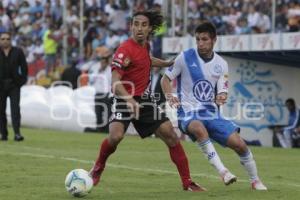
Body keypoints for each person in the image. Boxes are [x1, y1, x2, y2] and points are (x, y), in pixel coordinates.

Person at [89, 10, 205, 192]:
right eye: (135, 24)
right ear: (131, 27)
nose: (139, 28)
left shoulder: (145, 46)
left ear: (150, 28)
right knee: (116, 136)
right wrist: (129, 100)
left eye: (143, 25)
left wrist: (166, 64)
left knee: (170, 135)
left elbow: (146, 60)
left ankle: (187, 182)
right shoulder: (124, 50)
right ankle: (97, 169)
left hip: (145, 99)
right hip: (123, 97)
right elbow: (115, 81)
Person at [161, 21, 267, 190]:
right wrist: (169, 95)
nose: (200, 43)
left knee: (240, 144)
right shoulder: (184, 57)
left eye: (204, 39)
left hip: (211, 113)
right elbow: (165, 79)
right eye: (197, 40)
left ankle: (255, 181)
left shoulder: (221, 64)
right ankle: (223, 171)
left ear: (214, 40)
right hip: (188, 113)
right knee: (198, 128)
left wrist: (222, 96)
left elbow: (223, 90)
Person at [0, 31, 28, 141]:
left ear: (11, 40)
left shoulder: (18, 52)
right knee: (1, 110)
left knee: (15, 109)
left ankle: (17, 133)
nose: (5, 41)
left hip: (14, 85)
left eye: (7, 39)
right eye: (2, 39)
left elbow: (24, 67)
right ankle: (4, 134)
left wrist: (20, 82)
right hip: (1, 86)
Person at [85, 46, 113, 133]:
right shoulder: (96, 68)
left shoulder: (110, 70)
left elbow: (110, 82)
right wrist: (99, 71)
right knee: (98, 112)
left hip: (106, 94)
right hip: (98, 93)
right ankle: (99, 128)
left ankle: (108, 129)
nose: (102, 62)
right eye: (101, 60)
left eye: (104, 60)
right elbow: (91, 80)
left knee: (108, 112)